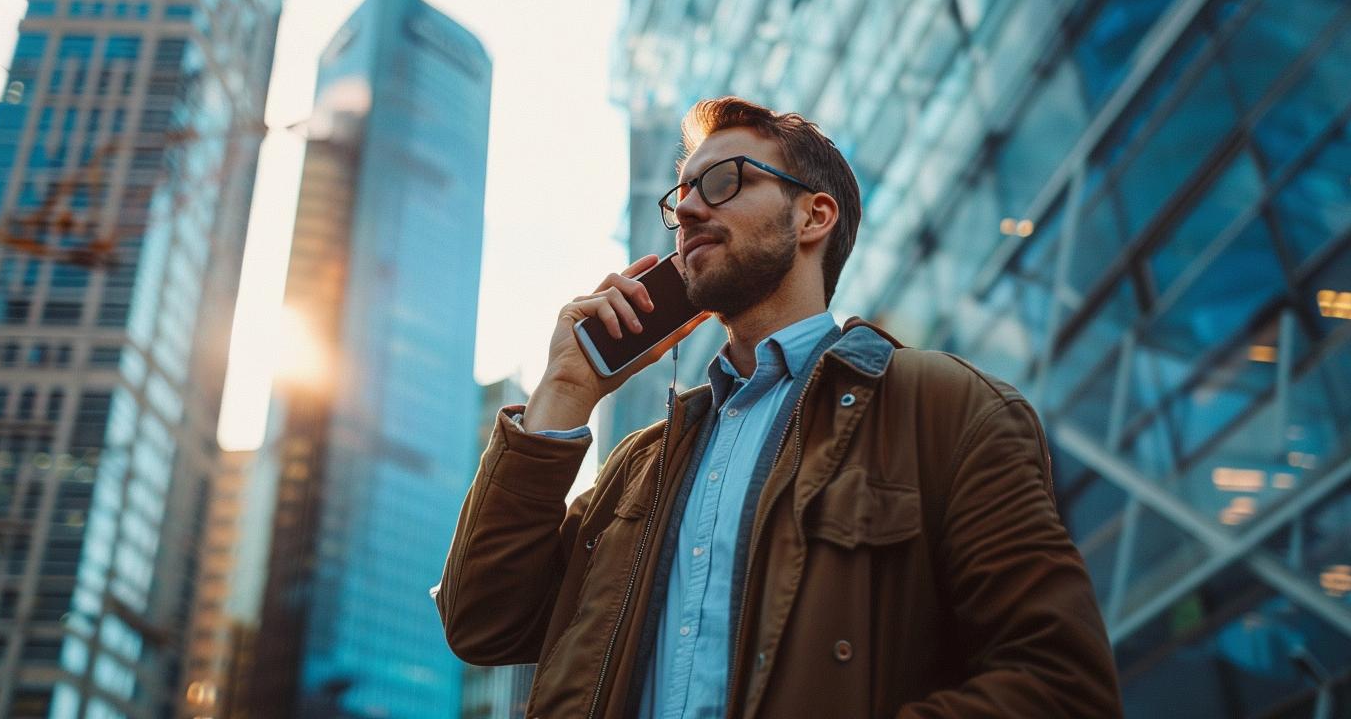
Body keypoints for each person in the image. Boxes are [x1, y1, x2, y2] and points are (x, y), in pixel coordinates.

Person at [437, 97, 1122, 718]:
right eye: (681, 197)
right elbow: (483, 622)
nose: (689, 212)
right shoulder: (637, 468)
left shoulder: (945, 407)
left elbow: (1059, 686)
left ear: (812, 216)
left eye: (723, 182)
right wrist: (565, 392)